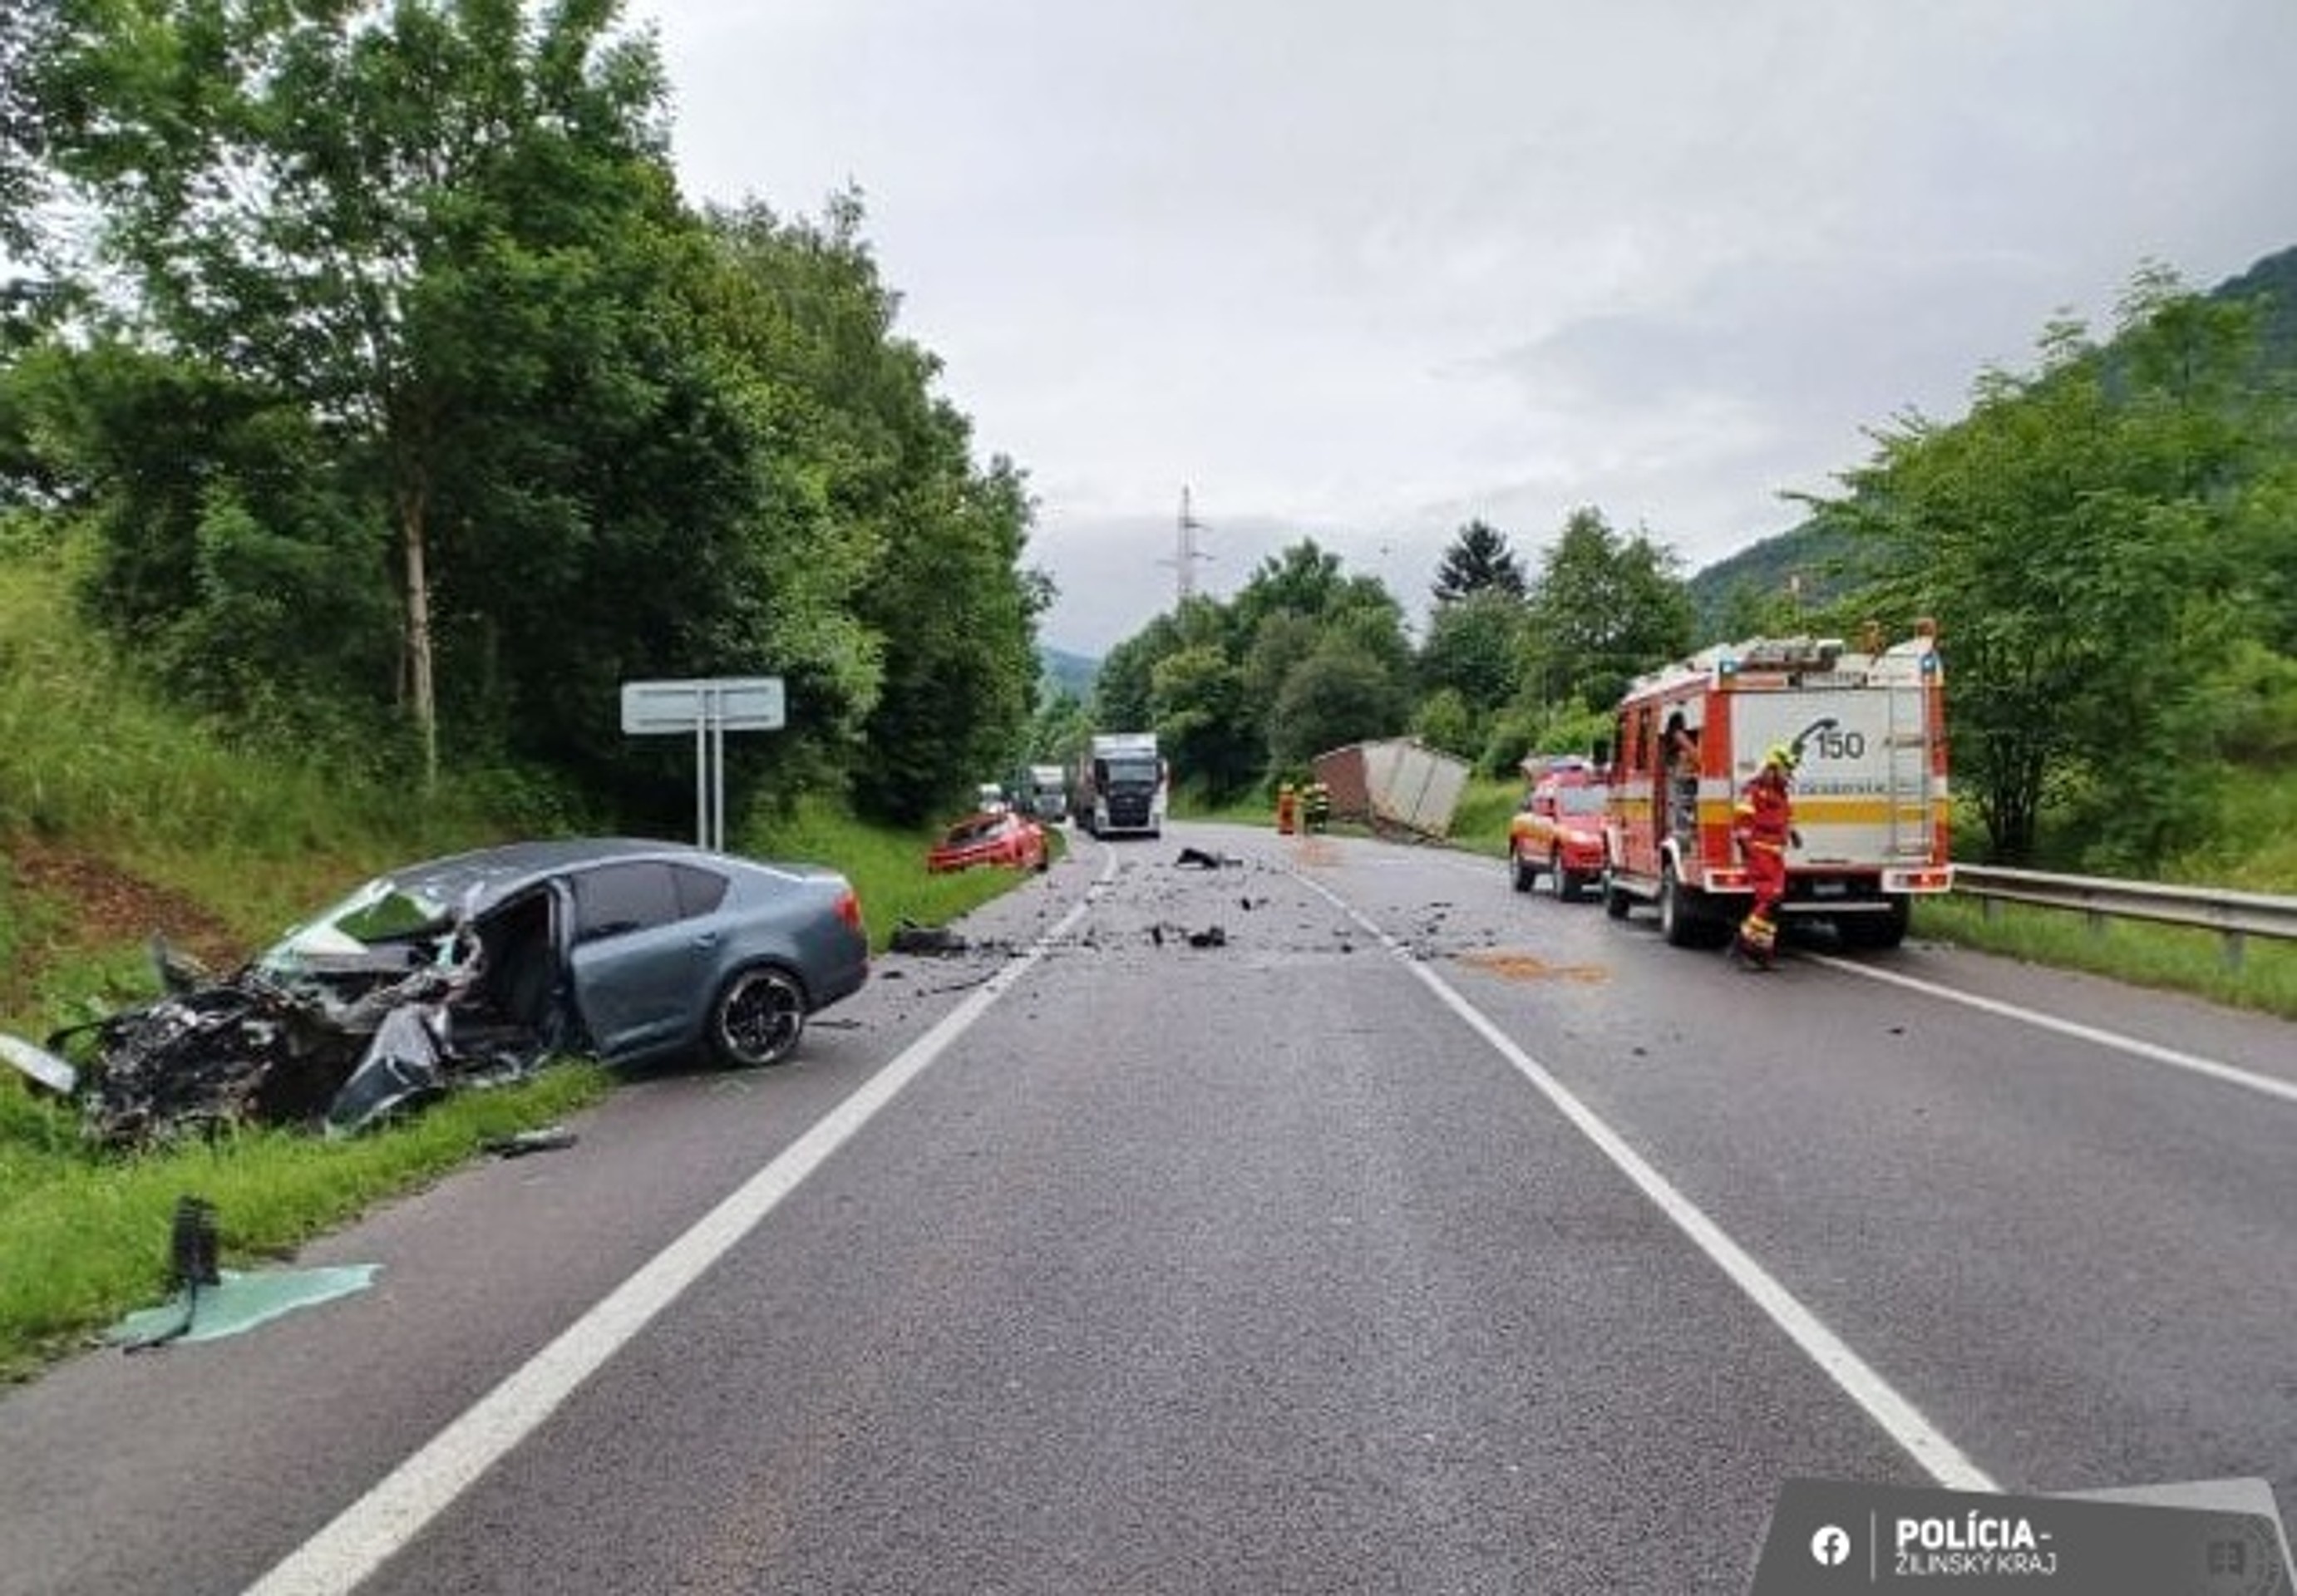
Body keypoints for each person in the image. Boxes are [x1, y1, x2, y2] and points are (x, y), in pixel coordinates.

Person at [1732, 743, 1802, 968]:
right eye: (1786, 769)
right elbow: (1742, 823)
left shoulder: (1780, 793)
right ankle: (1743, 943)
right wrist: (1748, 849)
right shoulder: (1753, 791)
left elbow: (1784, 817)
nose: (1789, 774)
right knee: (1771, 900)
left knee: (1774, 904)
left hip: (1775, 855)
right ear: (1773, 768)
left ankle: (1761, 952)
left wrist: (1793, 833)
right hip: (1760, 853)